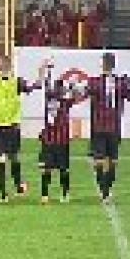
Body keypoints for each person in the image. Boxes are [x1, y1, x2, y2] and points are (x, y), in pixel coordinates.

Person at [0, 56, 46, 203]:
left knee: (5, 158)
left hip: (0, 125)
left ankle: (8, 192)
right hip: (5, 126)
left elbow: (36, 86)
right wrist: (41, 71)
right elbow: (36, 85)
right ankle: (12, 189)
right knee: (8, 157)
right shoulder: (12, 82)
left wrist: (41, 71)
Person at [86, 52, 130, 204]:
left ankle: (104, 191)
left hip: (100, 126)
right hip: (113, 127)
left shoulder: (95, 82)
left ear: (103, 64)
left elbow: (83, 93)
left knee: (101, 161)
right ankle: (106, 191)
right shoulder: (120, 83)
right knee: (110, 161)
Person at [38, 69, 85, 204]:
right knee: (55, 169)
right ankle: (60, 194)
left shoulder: (62, 101)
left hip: (55, 140)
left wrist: (73, 86)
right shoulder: (61, 101)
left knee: (54, 169)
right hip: (55, 140)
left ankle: (51, 194)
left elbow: (78, 95)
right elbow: (46, 82)